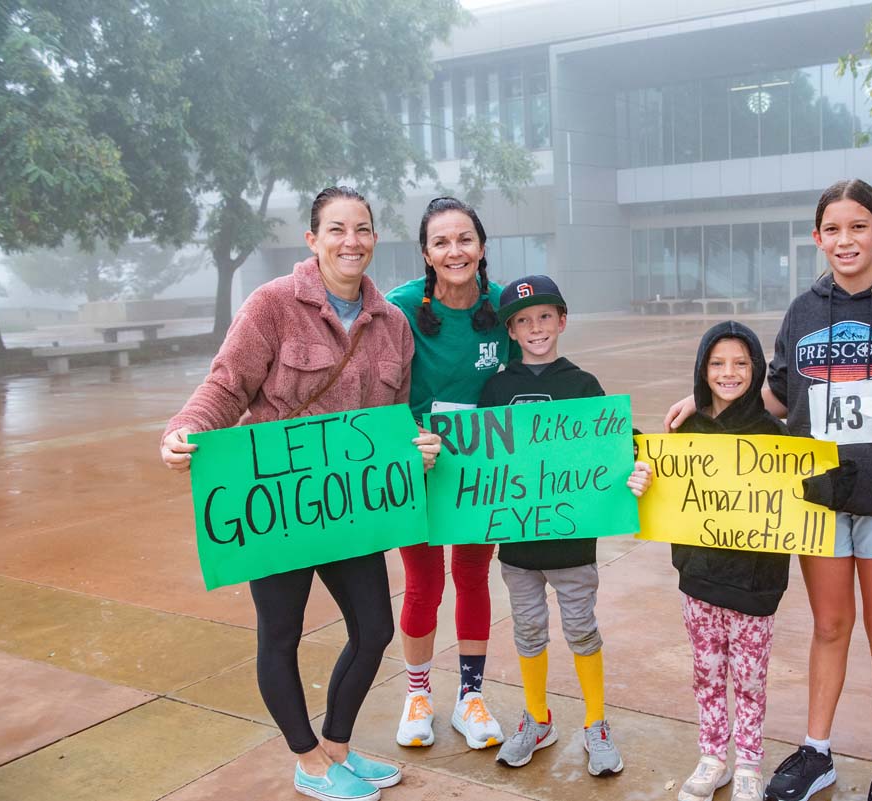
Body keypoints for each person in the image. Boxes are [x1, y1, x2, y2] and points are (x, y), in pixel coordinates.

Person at [666, 179, 872, 801]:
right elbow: (777, 397)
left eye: (859, 227)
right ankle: (818, 752)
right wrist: (705, 403)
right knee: (829, 628)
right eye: (833, 229)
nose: (845, 239)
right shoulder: (804, 312)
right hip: (818, 504)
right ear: (816, 238)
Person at [161, 186, 442, 801]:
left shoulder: (391, 324)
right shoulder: (271, 306)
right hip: (278, 508)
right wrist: (184, 429)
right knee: (281, 634)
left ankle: (337, 749)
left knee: (373, 628)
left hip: (351, 510)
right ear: (312, 239)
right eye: (336, 229)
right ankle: (307, 761)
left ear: (374, 237)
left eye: (363, 229)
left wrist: (416, 445)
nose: (352, 241)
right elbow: (226, 385)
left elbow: (394, 418)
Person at [476, 275, 653, 775]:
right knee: (528, 630)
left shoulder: (581, 385)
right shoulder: (497, 388)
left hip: (572, 543)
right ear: (511, 330)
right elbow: (475, 459)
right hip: (518, 544)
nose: (536, 328)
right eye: (525, 321)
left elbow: (616, 443)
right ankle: (536, 719)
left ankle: (596, 723)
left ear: (562, 321)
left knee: (581, 628)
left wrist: (639, 460)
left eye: (545, 317)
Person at [384, 197, 519, 751]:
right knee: (423, 584)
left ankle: (470, 696)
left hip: (477, 473)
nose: (454, 251)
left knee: (471, 577)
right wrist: (406, 442)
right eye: (441, 242)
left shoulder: (504, 307)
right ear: (425, 253)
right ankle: (417, 696)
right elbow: (370, 392)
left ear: (482, 248)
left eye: (464, 239)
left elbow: (531, 380)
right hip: (418, 466)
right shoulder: (396, 309)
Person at [670, 321, 791, 801]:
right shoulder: (685, 430)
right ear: (702, 369)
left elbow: (797, 499)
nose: (729, 372)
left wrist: (824, 488)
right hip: (699, 580)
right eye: (717, 363)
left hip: (756, 586)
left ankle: (749, 764)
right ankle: (713, 756)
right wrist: (642, 478)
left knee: (750, 679)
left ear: (757, 369)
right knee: (706, 673)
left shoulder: (776, 435)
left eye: (741, 363)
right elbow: (666, 488)